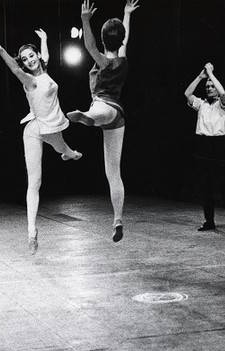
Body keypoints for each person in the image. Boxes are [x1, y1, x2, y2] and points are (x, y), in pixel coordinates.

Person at [0, 29, 82, 255]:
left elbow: (46, 56)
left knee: (61, 147)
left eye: (32, 56)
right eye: (25, 58)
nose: (29, 60)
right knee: (34, 182)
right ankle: (31, 231)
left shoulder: (44, 68)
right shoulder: (30, 81)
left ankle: (69, 153)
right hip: (35, 129)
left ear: (37, 56)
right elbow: (14, 68)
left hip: (52, 126)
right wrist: (1, 51)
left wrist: (44, 39)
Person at [67, 0, 140, 242]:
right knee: (113, 173)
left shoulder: (104, 62)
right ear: (121, 39)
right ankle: (117, 218)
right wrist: (126, 14)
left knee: (97, 110)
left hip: (103, 107)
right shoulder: (123, 59)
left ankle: (87, 117)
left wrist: (85, 20)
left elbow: (88, 45)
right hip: (117, 116)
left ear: (104, 39)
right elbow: (125, 38)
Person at [184, 63, 225, 232]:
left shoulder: (223, 105)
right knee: (205, 186)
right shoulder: (201, 104)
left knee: (224, 186)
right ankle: (209, 221)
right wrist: (201, 77)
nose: (209, 88)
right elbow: (187, 93)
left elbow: (222, 93)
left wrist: (211, 74)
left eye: (211, 86)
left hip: (218, 146)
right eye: (207, 86)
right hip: (202, 146)